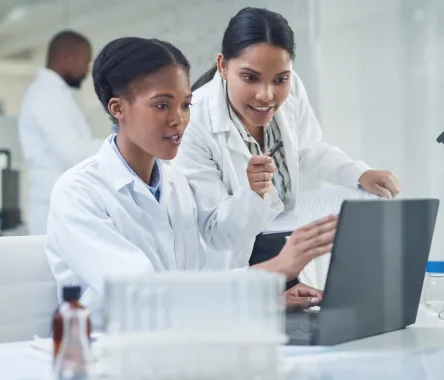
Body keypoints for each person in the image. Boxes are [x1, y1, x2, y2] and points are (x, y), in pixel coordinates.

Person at [45, 36, 337, 328]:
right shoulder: (78, 193)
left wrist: (269, 299)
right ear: (118, 108)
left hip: (175, 342)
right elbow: (143, 294)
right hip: (109, 355)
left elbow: (196, 285)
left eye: (186, 105)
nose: (179, 120)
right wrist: (275, 268)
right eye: (162, 106)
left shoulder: (175, 185)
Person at [171, 7, 401, 286]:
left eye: (280, 79)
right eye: (250, 77)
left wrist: (357, 173)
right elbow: (215, 231)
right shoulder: (194, 121)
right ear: (223, 66)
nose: (267, 94)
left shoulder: (292, 88)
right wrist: (253, 194)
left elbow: (307, 149)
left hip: (287, 250)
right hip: (236, 267)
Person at [18, 30, 102, 235]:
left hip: (60, 206)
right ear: (65, 57)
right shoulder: (48, 95)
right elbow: (76, 153)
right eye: (85, 61)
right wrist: (126, 143)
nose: (87, 70)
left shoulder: (55, 94)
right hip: (53, 210)